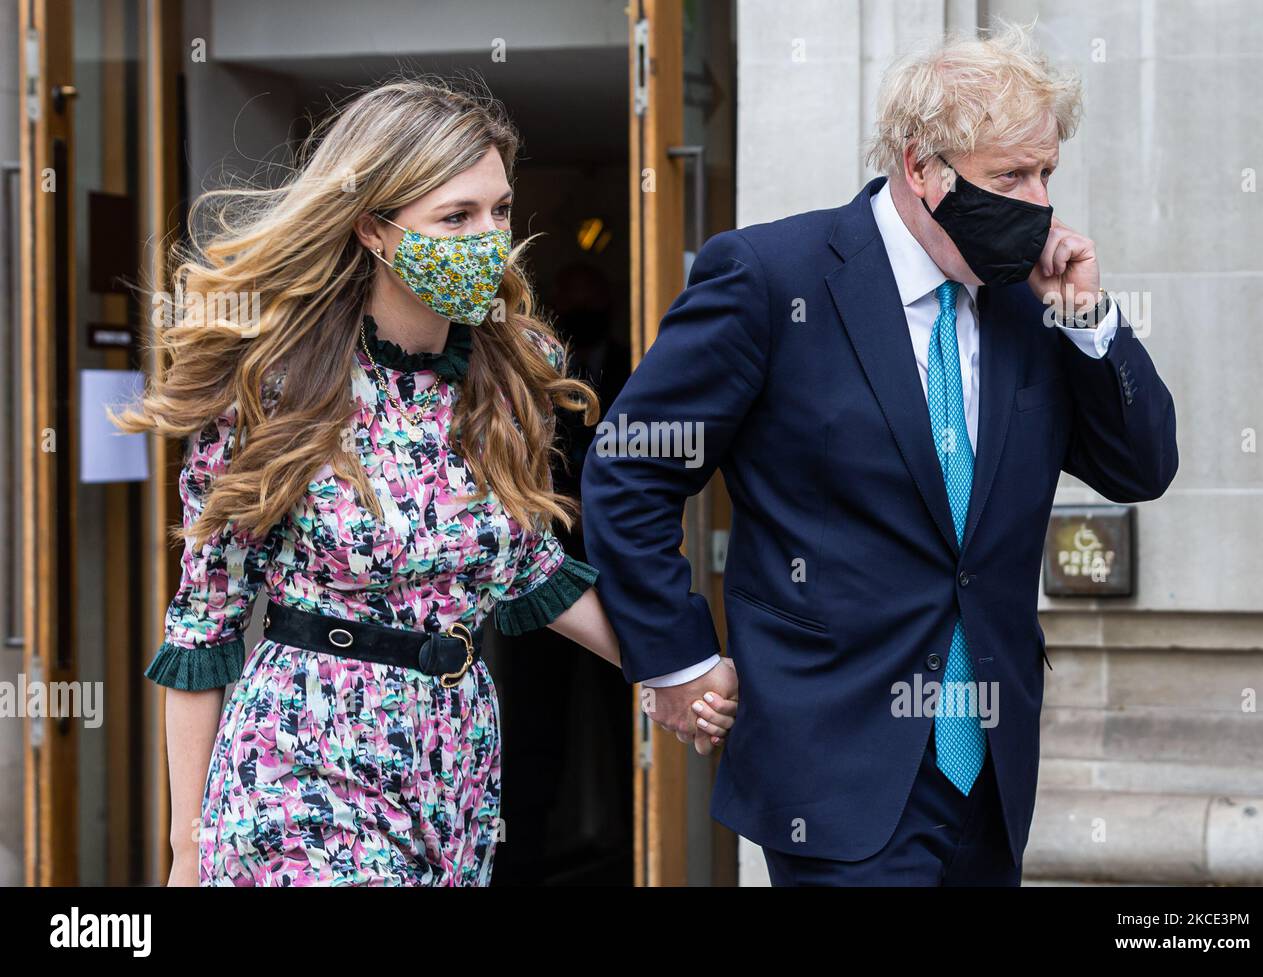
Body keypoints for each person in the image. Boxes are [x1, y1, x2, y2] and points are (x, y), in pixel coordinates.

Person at [580, 25, 1178, 885]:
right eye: (1009, 176)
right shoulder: (769, 276)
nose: (1039, 201)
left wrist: (1086, 320)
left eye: (1047, 172)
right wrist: (675, 659)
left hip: (991, 768)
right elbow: (630, 468)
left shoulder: (1028, 301)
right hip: (831, 764)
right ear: (922, 166)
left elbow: (1143, 467)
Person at [112, 78, 737, 887]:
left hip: (456, 761)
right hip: (303, 761)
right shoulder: (275, 386)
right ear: (374, 228)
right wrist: (185, 850)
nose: (489, 237)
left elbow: (523, 570)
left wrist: (674, 668)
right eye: (457, 216)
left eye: (500, 211)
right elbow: (204, 624)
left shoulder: (505, 375)